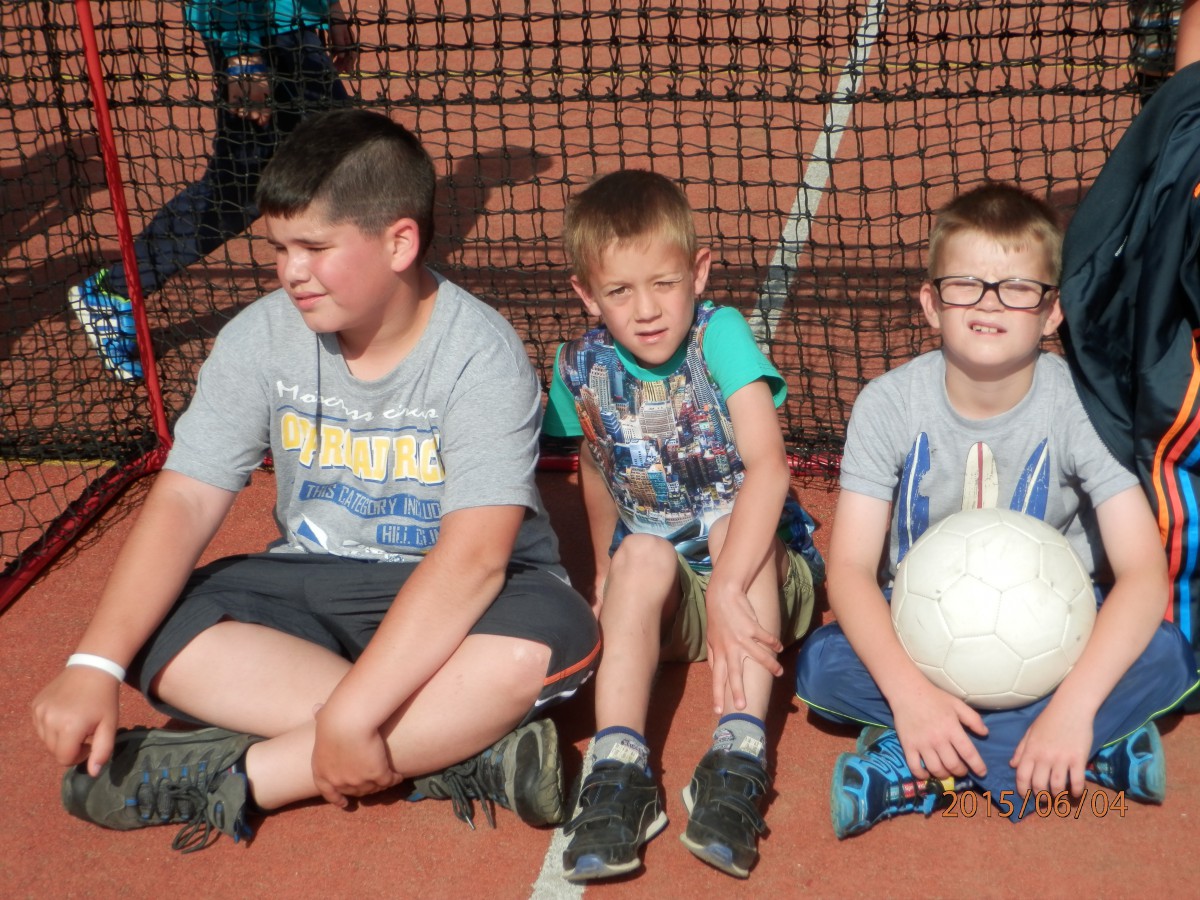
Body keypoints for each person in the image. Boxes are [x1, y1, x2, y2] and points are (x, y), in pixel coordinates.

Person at [32, 108, 600, 853]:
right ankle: (456, 752)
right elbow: (187, 497)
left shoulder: (479, 354)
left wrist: (350, 716)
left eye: (315, 247)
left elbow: (473, 560)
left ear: (399, 243)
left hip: (468, 595)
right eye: (280, 248)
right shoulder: (261, 335)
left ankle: (243, 774)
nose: (291, 271)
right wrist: (94, 662)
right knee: (154, 625)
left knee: (546, 641)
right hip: (315, 581)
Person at [794, 182, 1199, 838]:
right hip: (921, 638)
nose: (989, 302)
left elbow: (1142, 574)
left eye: (1016, 287)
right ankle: (1085, 753)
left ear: (1051, 312)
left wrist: (1073, 706)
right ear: (932, 303)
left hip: (1060, 638)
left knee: (1170, 654)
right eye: (966, 284)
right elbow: (849, 572)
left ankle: (924, 765)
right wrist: (911, 694)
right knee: (821, 667)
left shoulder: (1081, 406)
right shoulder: (887, 404)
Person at [541, 169, 824, 880]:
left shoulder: (718, 334)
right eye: (619, 291)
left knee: (731, 530)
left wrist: (727, 587)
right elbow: (595, 465)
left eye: (664, 284)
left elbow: (769, 468)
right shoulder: (576, 367)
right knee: (636, 555)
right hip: (674, 602)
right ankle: (619, 769)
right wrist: (604, 575)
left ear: (698, 274)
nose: (645, 310)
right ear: (587, 295)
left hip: (759, 578)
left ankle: (738, 754)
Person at [69, 1, 357, 381]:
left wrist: (331, 10)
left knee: (332, 162)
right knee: (242, 190)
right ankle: (114, 291)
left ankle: (340, 296)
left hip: (288, 29)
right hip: (255, 33)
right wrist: (242, 55)